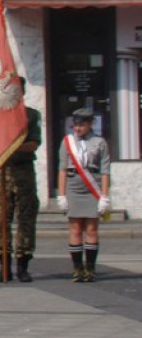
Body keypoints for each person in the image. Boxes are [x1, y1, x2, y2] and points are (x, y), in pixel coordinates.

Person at [0, 77, 41, 282]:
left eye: (17, 91)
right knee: (1, 220)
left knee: (26, 219)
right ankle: (4, 266)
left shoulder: (31, 115)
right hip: (3, 172)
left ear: (22, 93)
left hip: (24, 171)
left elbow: (34, 143)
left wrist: (13, 144)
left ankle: (23, 265)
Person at [57, 107, 111, 282]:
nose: (78, 128)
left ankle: (90, 268)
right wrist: (61, 195)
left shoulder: (99, 142)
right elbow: (63, 169)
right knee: (75, 228)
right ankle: (77, 268)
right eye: (75, 125)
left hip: (92, 185)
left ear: (90, 124)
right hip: (74, 185)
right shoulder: (67, 142)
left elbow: (105, 171)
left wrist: (104, 196)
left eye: (82, 125)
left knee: (91, 229)